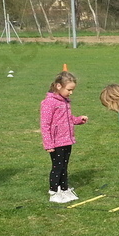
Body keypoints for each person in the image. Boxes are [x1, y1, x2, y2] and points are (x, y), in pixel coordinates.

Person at [40, 70, 88, 204]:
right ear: (58, 86)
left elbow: (67, 118)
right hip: (56, 142)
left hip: (67, 140)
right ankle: (54, 191)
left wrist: (78, 120)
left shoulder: (65, 101)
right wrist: (48, 144)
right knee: (57, 167)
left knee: (64, 166)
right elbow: (45, 124)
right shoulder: (49, 103)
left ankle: (64, 189)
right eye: (69, 90)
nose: (71, 93)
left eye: (72, 90)